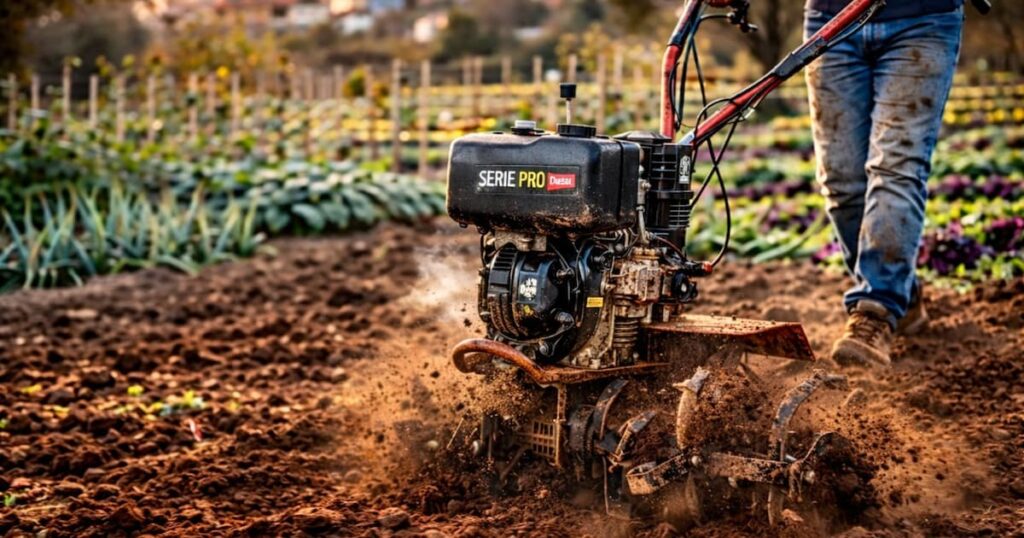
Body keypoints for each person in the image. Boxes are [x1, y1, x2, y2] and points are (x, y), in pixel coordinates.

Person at [803, 0, 965, 367]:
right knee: (842, 181)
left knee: (896, 166)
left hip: (922, 18)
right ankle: (900, 290)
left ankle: (876, 310)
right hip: (832, 19)